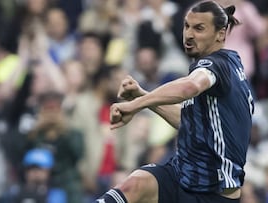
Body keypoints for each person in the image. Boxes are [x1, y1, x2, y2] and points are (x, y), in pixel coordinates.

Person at [96, 1, 254, 203]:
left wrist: (136, 105)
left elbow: (190, 88)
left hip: (212, 194)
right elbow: (191, 123)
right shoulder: (225, 67)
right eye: (186, 26)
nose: (188, 35)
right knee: (135, 184)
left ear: (221, 34)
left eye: (199, 28)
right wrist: (142, 94)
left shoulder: (217, 64)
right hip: (181, 176)